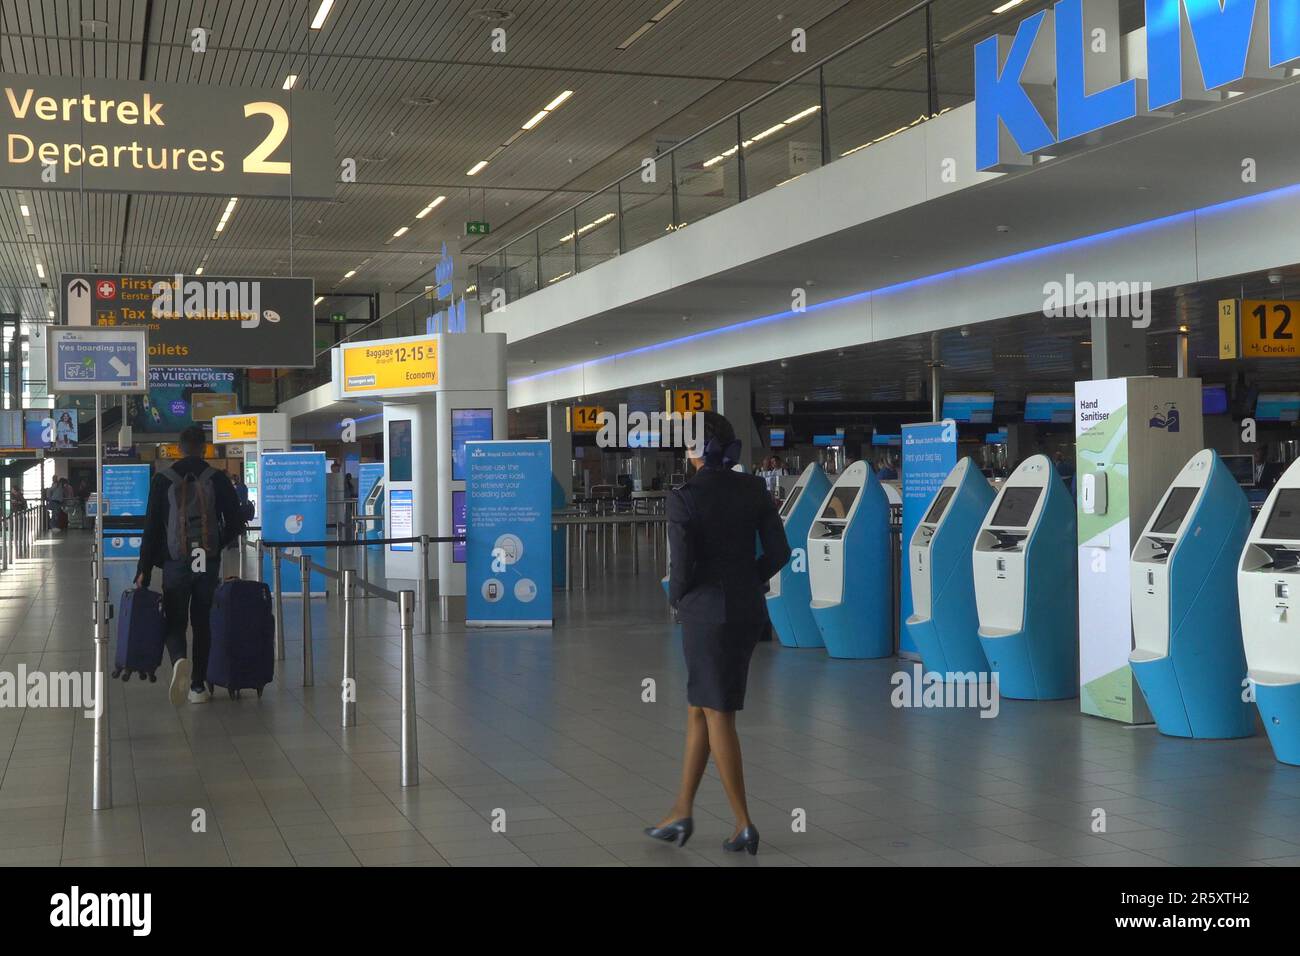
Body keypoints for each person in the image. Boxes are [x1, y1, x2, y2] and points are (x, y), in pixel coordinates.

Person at [646, 411, 791, 855]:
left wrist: (680, 599)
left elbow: (682, 565)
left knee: (718, 712)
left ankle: (744, 823)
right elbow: (780, 551)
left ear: (693, 449)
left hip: (706, 615)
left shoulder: (684, 497)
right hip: (747, 611)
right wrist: (749, 579)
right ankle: (681, 811)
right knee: (701, 707)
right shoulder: (753, 489)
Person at [135, 425, 246, 705]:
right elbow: (235, 522)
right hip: (205, 563)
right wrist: (215, 547)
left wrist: (144, 569)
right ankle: (198, 686)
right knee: (202, 622)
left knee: (175, 619)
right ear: (205, 447)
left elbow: (151, 529)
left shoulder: (163, 480)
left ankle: (178, 659)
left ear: (179, 447)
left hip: (176, 563)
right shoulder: (217, 479)